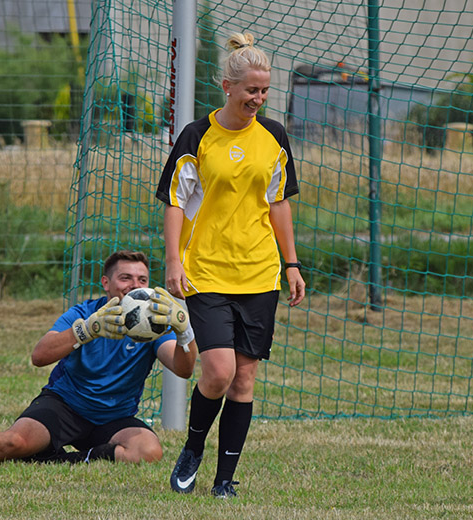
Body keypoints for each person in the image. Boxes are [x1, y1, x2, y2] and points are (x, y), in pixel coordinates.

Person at [156, 32, 306, 498]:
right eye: (250, 91)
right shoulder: (196, 136)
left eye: (264, 91)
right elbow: (174, 202)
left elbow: (278, 202)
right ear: (227, 87)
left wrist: (292, 264)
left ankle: (224, 480)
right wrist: (173, 261)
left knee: (244, 378)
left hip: (259, 274)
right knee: (218, 372)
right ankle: (193, 448)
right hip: (206, 272)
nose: (258, 99)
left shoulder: (274, 136)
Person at [0, 250, 197, 466]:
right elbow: (39, 356)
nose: (134, 286)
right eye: (125, 278)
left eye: (142, 280)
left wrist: (184, 332)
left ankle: (56, 461)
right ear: (106, 283)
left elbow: (183, 369)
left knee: (148, 451)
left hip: (114, 417)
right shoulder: (83, 313)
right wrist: (88, 330)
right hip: (66, 405)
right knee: (13, 443)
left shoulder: (151, 325)